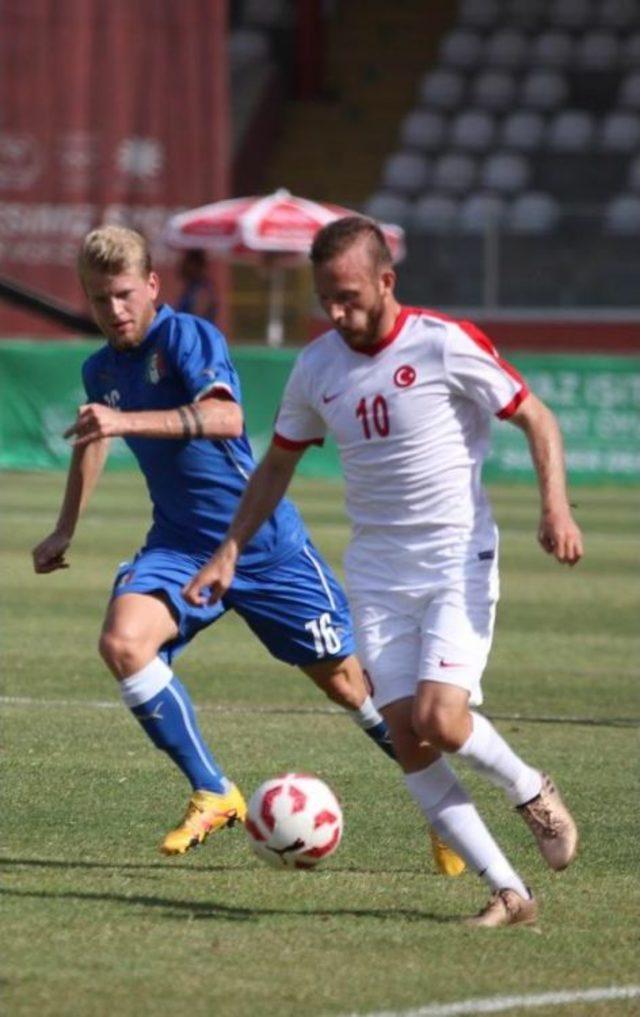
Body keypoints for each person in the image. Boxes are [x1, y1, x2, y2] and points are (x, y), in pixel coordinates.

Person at [184, 216, 583, 928]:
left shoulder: (441, 342)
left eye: (350, 296)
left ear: (386, 281)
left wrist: (557, 506)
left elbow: (538, 418)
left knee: (440, 716)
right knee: (407, 735)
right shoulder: (317, 367)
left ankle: (528, 786)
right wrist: (229, 548)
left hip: (456, 555)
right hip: (375, 571)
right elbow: (277, 462)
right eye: (326, 300)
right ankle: (509, 890)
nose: (338, 313)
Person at [31, 224, 464, 875]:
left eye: (123, 294)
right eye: (99, 300)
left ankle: (446, 811)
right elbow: (95, 435)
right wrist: (66, 526)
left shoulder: (186, 336)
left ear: (152, 286)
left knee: (352, 687)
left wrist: (124, 421)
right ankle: (214, 790)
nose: (113, 310)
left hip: (262, 546)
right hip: (179, 546)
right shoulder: (101, 367)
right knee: (123, 643)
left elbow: (227, 418)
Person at [175, 249, 218, 323]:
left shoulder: (202, 288)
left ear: (194, 265)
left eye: (186, 263)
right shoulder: (191, 288)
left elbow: (198, 319)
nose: (181, 267)